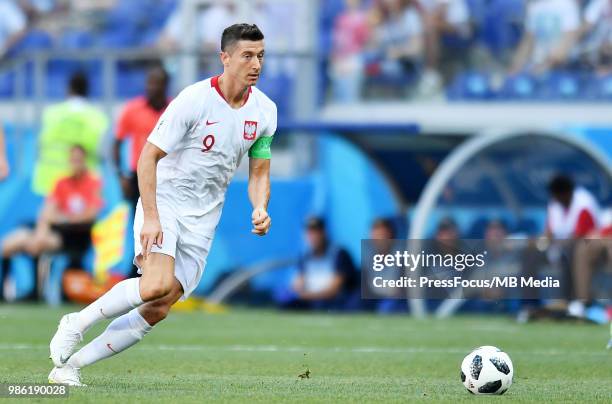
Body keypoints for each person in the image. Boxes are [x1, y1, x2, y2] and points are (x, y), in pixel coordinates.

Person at [48, 23, 277, 386]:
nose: (256, 64)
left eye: (261, 56)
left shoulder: (265, 112)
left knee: (159, 306)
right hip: (166, 201)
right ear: (225, 57)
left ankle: (69, 367)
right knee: (154, 284)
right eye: (247, 55)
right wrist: (151, 216)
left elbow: (259, 173)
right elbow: (147, 157)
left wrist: (259, 207)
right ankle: (75, 322)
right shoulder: (194, 99)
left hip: (204, 218)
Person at [1, 145, 102, 268]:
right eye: (73, 159)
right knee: (9, 244)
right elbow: (47, 210)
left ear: (84, 161)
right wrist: (42, 230)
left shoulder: (92, 183)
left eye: (78, 160)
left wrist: (63, 218)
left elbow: (90, 214)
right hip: (54, 230)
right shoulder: (62, 182)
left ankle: (37, 283)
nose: (75, 163)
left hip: (74, 236)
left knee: (39, 244)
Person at [32, 72, 108, 196]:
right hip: (84, 182)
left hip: (51, 179)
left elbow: (39, 146)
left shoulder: (51, 113)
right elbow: (102, 153)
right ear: (87, 90)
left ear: (69, 89)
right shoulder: (97, 118)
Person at [113, 65, 170, 212]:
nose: (151, 87)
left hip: (169, 175)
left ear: (165, 85)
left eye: (156, 83)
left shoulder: (174, 110)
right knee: (140, 224)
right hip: (140, 175)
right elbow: (117, 143)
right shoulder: (132, 109)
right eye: (149, 82)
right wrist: (121, 176)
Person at [287, 217, 357, 310]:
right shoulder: (305, 256)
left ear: (324, 233)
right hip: (311, 300)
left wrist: (304, 295)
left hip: (334, 302)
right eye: (310, 233)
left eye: (316, 232)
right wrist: (296, 292)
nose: (313, 236)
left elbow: (334, 290)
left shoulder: (339, 254)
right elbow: (298, 283)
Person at [509, 0, 581, 75]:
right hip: (537, 67)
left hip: (563, 69)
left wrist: (546, 64)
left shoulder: (567, 5)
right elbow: (528, 42)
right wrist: (514, 69)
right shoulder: (534, 7)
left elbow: (568, 39)